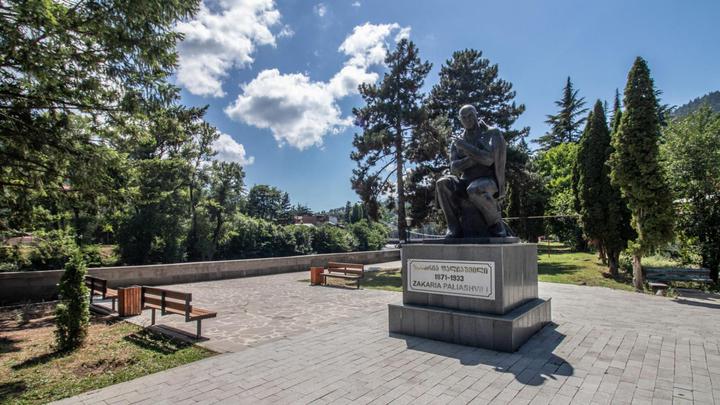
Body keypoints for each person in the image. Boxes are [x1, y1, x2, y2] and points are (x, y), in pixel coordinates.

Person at [436, 104, 507, 237]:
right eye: (463, 117)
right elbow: (454, 167)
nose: (467, 119)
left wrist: (465, 147)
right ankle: (454, 227)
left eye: (470, 116)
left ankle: (496, 224)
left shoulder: (491, 133)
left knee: (474, 189)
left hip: (488, 180)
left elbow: (489, 160)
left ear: (476, 115)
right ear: (460, 120)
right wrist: (476, 158)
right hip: (465, 180)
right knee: (442, 182)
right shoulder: (456, 141)